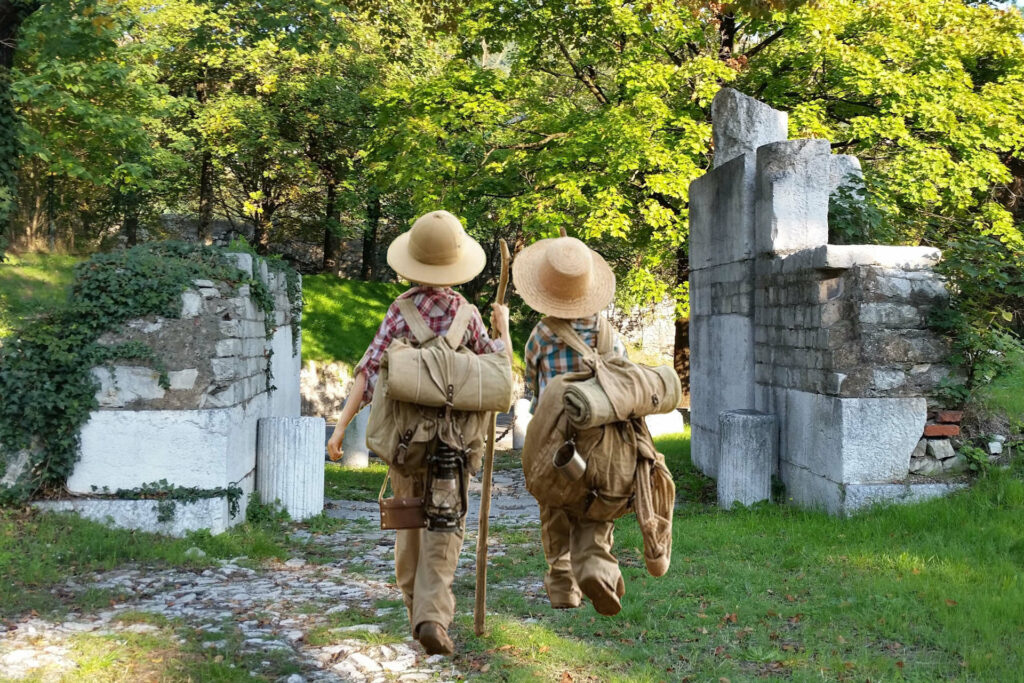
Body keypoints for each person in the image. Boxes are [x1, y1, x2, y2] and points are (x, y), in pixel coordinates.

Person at [326, 210, 512, 655]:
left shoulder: (399, 312)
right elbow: (499, 374)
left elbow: (367, 376)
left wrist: (338, 431)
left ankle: (415, 608)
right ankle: (432, 616)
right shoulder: (468, 316)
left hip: (406, 444)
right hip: (457, 446)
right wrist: (502, 329)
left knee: (409, 524)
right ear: (455, 266)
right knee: (445, 530)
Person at [513, 234, 629, 615]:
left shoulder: (543, 334)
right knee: (597, 504)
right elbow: (623, 377)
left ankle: (563, 583)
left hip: (556, 439)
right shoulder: (609, 334)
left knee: (555, 504)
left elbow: (531, 382)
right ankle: (595, 565)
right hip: (602, 438)